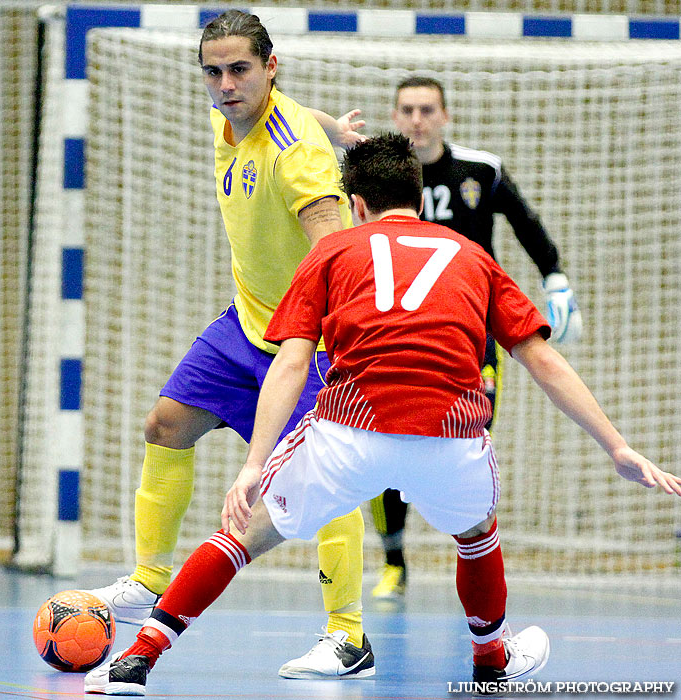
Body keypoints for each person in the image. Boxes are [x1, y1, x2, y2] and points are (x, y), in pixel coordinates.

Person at [84, 132, 681, 696]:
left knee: (239, 537)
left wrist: (253, 465)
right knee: (476, 534)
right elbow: (542, 361)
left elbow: (292, 365)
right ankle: (490, 660)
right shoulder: (473, 257)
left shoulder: (332, 252)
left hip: (349, 436)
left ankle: (138, 660)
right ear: (420, 198)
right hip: (450, 441)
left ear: (356, 203)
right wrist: (617, 446)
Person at [85, 9, 373, 679]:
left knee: (323, 483)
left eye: (239, 69)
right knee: (165, 424)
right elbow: (301, 115)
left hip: (307, 336)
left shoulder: (293, 153)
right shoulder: (240, 117)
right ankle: (149, 579)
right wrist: (339, 130)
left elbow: (333, 246)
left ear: (270, 67)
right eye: (212, 71)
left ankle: (348, 636)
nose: (224, 83)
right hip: (247, 323)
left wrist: (341, 340)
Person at [370, 75, 583, 603]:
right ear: (395, 118)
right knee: (384, 445)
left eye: (426, 109)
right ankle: (394, 561)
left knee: (471, 435)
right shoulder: (381, 177)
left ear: (444, 116)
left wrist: (555, 276)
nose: (417, 119)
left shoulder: (479, 170)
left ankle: (475, 554)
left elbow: (525, 223)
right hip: (395, 333)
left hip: (472, 333)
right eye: (407, 110)